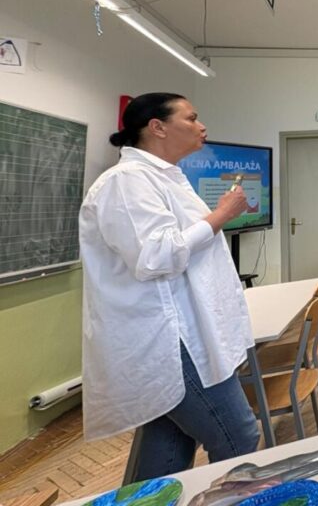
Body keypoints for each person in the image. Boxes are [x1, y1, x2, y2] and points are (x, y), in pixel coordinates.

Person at [78, 93, 259, 481]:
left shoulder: (163, 178)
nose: (201, 126)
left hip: (186, 332)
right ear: (157, 127)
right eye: (191, 118)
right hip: (170, 340)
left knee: (170, 446)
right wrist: (222, 214)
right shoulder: (126, 181)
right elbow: (155, 256)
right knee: (239, 435)